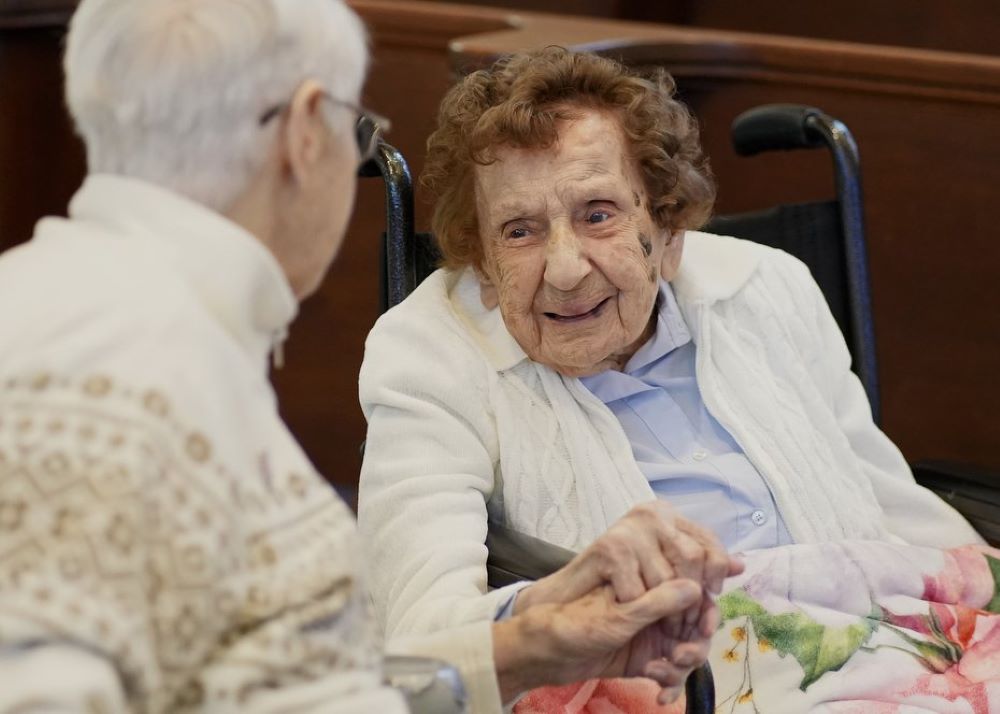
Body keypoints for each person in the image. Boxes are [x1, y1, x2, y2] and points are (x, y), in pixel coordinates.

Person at [0, 4, 718, 713]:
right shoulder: (113, 359)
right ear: (308, 131)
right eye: (358, 130)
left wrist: (530, 644)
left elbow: (280, 682)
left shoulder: (135, 321)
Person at [357, 47, 984, 712]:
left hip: (898, 649)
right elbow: (420, 644)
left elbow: (889, 507)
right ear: (481, 261)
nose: (566, 268)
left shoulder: (766, 287)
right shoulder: (427, 355)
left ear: (669, 225)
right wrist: (554, 606)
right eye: (520, 230)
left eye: (598, 213)